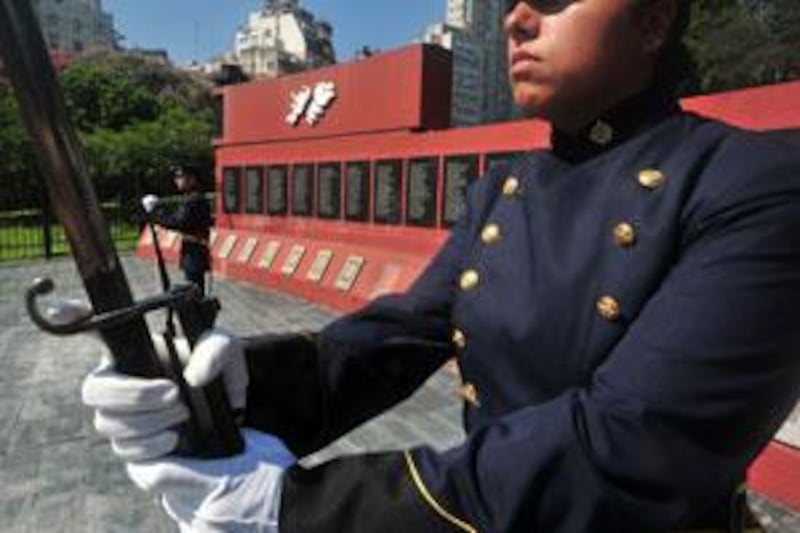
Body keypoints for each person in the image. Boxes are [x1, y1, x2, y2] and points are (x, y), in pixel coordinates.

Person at [78, 1, 800, 531]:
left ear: (651, 22)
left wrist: (302, 510)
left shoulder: (752, 183)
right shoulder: (504, 188)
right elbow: (395, 338)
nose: (517, 19)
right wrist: (234, 392)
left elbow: (633, 444)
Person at [142, 166, 214, 295]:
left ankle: (198, 314)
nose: (177, 181)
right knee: (194, 285)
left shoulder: (194, 199)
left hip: (195, 250)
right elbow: (177, 218)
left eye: (181, 177)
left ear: (192, 179)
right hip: (192, 248)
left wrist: (155, 215)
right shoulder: (191, 198)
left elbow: (178, 222)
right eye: (177, 178)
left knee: (194, 287)